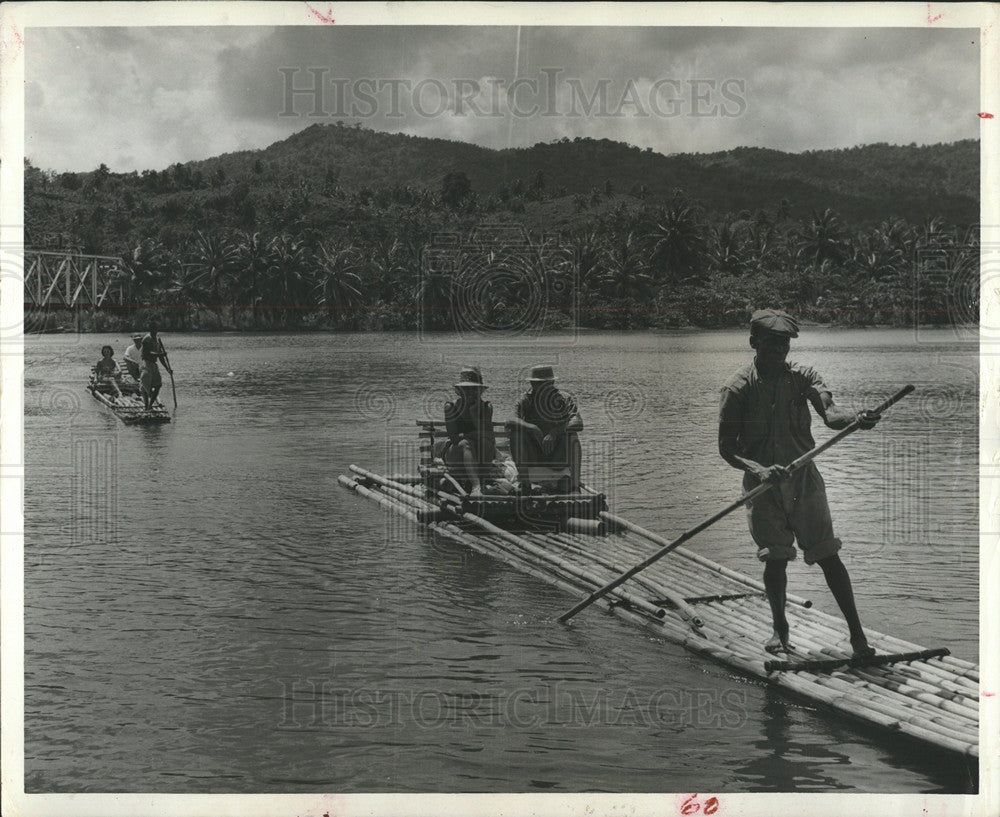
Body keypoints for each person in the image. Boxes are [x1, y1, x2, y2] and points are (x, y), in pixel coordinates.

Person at [718, 309, 881, 658]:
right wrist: (760, 470)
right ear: (753, 344)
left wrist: (856, 418)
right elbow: (726, 448)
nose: (779, 351)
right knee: (775, 559)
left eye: (784, 345)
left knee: (828, 555)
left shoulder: (804, 377)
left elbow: (832, 415)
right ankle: (780, 630)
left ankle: (858, 637)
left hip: (804, 479)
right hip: (762, 486)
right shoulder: (737, 389)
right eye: (771, 344)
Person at [506, 365, 583, 494]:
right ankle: (525, 485)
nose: (540, 388)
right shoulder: (526, 399)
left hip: (556, 456)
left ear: (552, 383)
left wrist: (555, 432)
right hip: (534, 455)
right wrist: (532, 428)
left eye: (544, 384)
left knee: (572, 437)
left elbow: (578, 422)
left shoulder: (564, 398)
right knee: (516, 434)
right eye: (536, 384)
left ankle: (575, 486)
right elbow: (510, 420)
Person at [441, 367, 496, 496]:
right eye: (467, 389)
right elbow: (454, 438)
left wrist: (474, 414)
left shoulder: (486, 407)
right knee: (466, 443)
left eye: (474, 389)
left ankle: (481, 480)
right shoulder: (451, 407)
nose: (471, 392)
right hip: (456, 454)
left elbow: (488, 435)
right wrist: (472, 435)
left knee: (486, 442)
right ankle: (476, 486)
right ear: (460, 391)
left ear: (479, 391)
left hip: (479, 453)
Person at [139, 322, 170, 411]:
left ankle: (150, 405)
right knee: (145, 385)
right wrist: (161, 354)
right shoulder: (146, 339)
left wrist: (167, 369)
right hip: (146, 363)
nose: (155, 331)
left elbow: (160, 357)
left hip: (154, 364)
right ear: (150, 329)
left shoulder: (157, 339)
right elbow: (148, 352)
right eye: (153, 329)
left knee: (158, 385)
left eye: (156, 329)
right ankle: (147, 405)